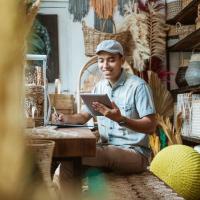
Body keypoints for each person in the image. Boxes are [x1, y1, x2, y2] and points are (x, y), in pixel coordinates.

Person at [52, 39, 157, 199]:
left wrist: (121, 119)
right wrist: (63, 117)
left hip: (135, 154)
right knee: (68, 163)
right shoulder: (99, 87)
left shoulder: (138, 86)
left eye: (111, 60)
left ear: (122, 60)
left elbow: (151, 126)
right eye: (101, 60)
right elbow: (82, 117)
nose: (105, 65)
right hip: (106, 150)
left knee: (88, 154)